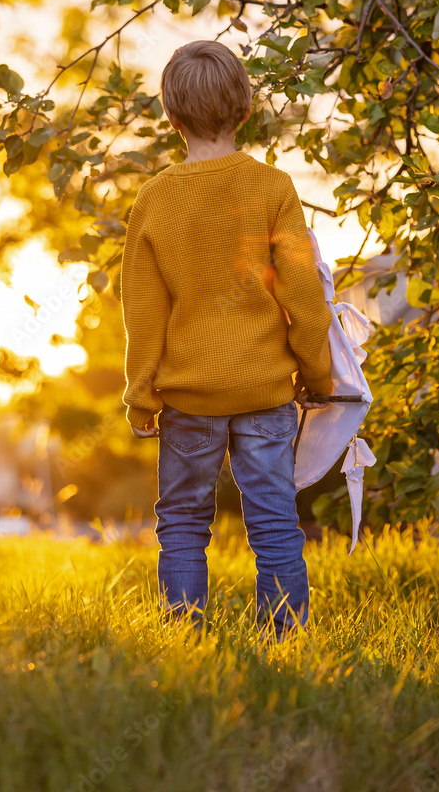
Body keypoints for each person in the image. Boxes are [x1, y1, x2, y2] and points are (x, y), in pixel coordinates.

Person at [120, 39, 333, 641]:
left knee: (183, 524)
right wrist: (317, 379)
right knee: (274, 524)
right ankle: (285, 641)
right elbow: (303, 297)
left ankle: (185, 638)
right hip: (266, 394)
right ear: (243, 109)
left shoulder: (154, 197)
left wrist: (141, 394)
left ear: (172, 117)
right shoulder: (273, 188)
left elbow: (142, 307)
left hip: (188, 397)